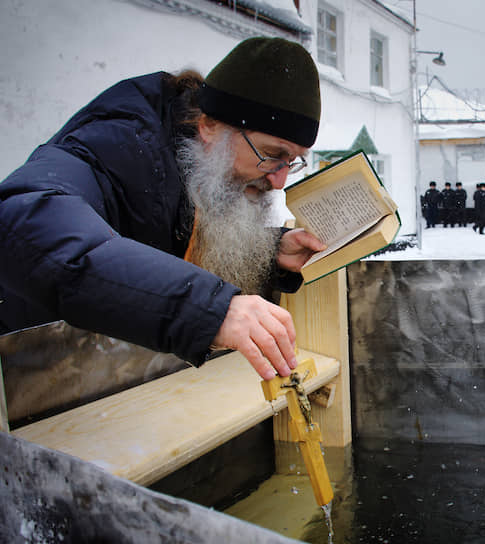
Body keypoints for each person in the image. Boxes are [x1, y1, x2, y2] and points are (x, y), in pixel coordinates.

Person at [0, 37, 332, 382]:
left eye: (291, 162)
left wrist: (269, 250)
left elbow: (180, 235)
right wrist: (207, 310)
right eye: (271, 154)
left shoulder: (198, 157)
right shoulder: (120, 145)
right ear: (209, 127)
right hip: (24, 377)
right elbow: (23, 224)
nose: (278, 181)